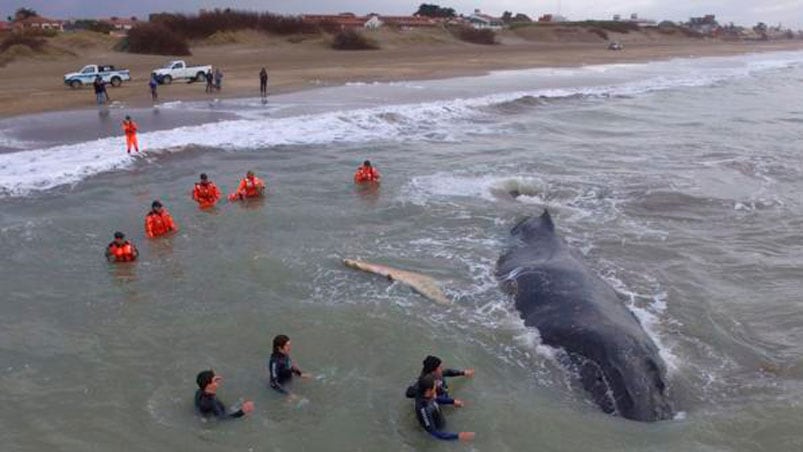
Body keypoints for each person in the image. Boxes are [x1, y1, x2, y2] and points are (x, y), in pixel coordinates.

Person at [414, 374, 475, 442]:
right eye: (434, 386)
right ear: (428, 390)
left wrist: (452, 401)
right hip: (436, 435)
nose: (436, 387)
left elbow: (435, 398)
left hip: (439, 420)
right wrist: (458, 436)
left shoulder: (423, 393)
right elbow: (434, 433)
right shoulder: (423, 409)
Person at [405, 355, 474, 403]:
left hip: (443, 393)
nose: (442, 369)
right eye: (440, 368)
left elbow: (448, 372)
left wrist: (463, 372)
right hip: (439, 400)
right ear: (433, 371)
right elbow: (409, 393)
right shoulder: (425, 382)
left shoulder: (437, 373)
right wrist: (452, 401)